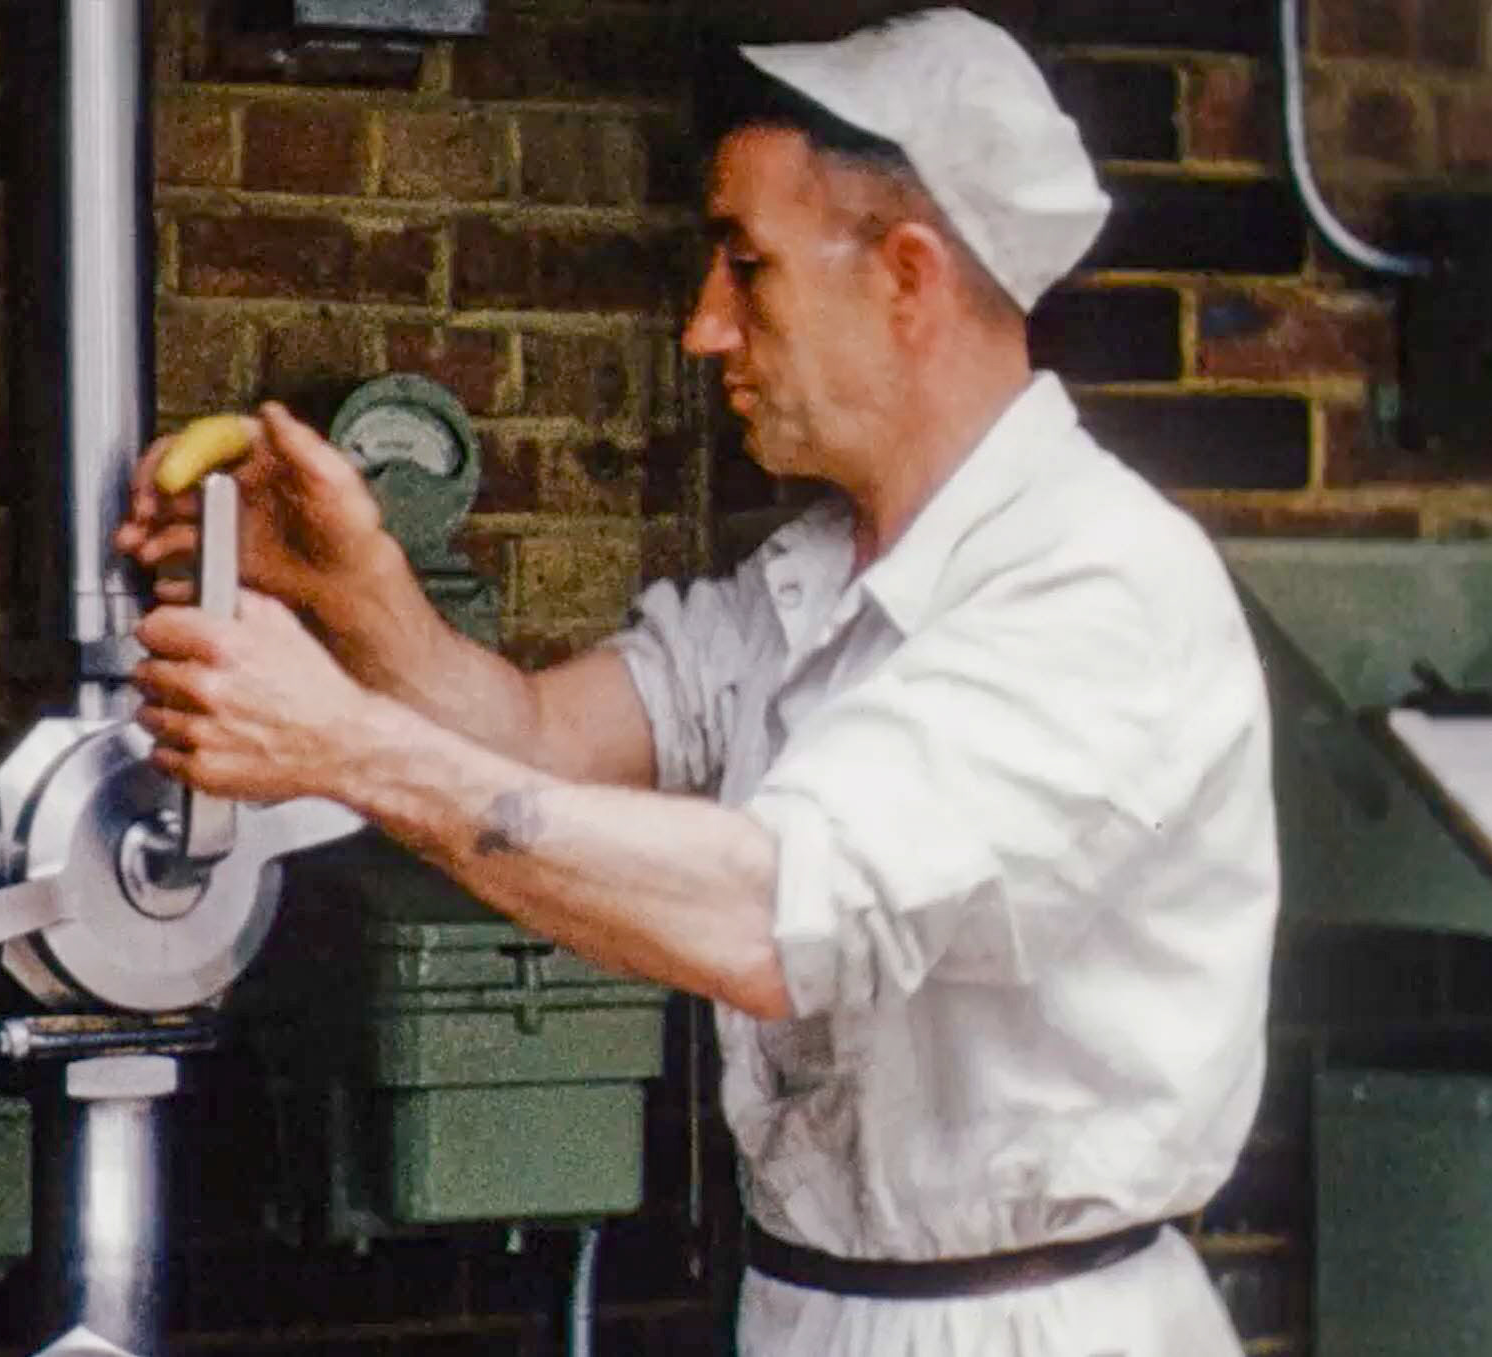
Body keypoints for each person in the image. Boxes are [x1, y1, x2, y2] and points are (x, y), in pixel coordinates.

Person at [116, 8, 1279, 1354]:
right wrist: (353, 587)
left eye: (747, 267)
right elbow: (542, 738)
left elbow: (766, 914)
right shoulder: (813, 580)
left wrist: (349, 749)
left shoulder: (1097, 587)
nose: (703, 329)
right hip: (806, 1304)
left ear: (908, 278)